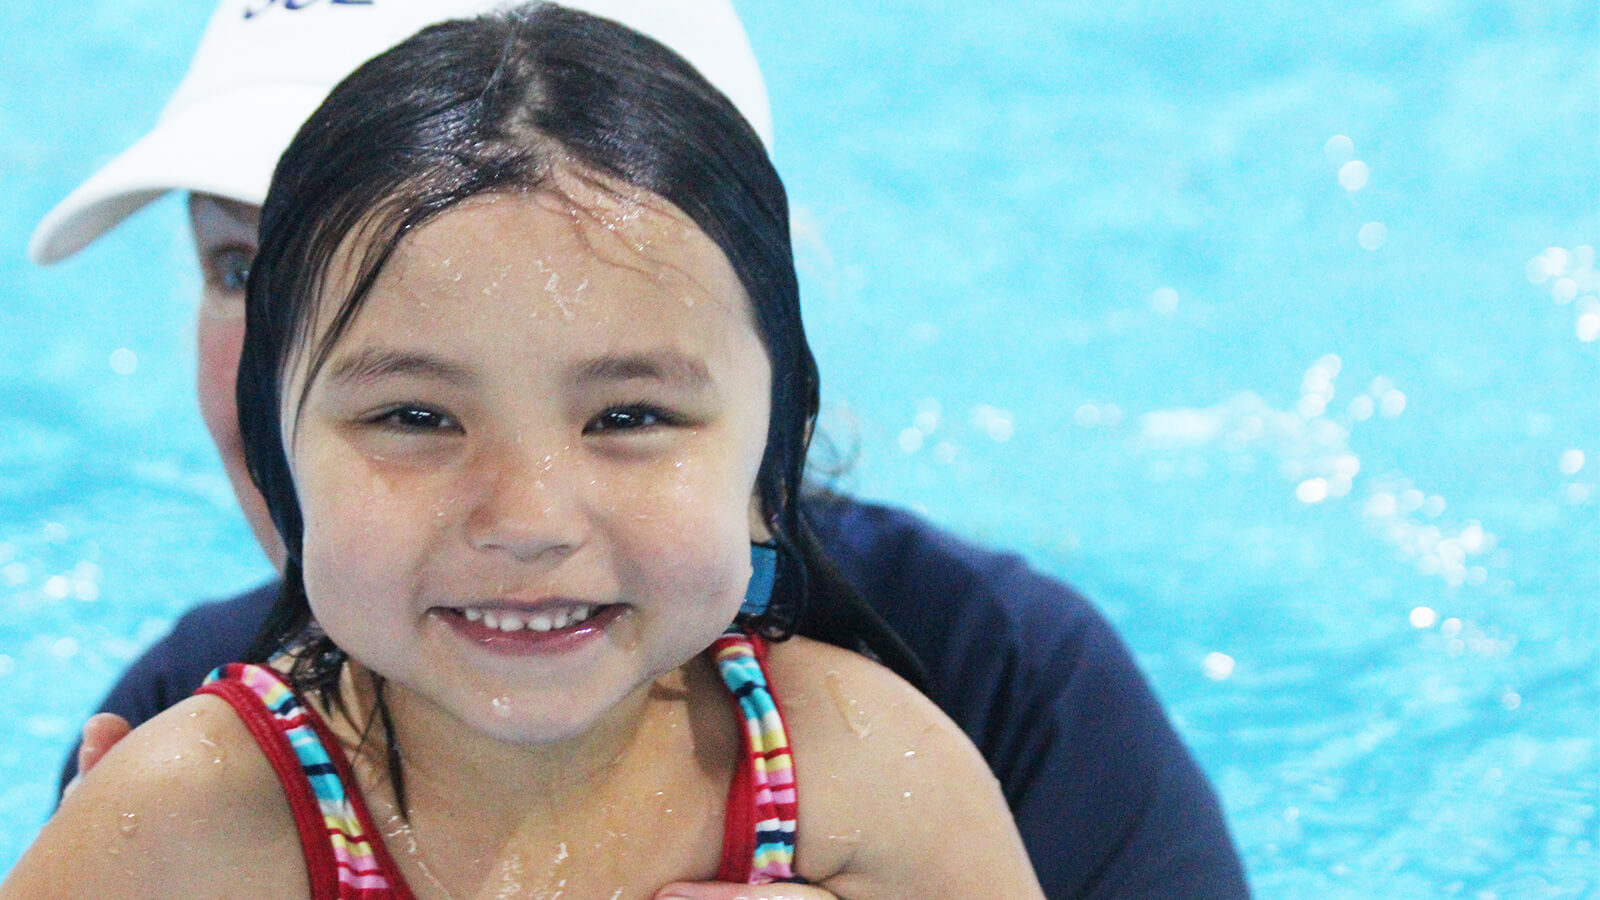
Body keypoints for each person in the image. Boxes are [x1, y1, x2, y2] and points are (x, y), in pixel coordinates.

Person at [30, 1, 1250, 897]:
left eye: (621, 410)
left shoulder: (979, 697)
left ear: (769, 382)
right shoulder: (186, 764)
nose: (527, 513)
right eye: (242, 265)